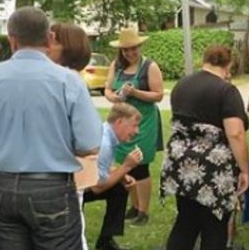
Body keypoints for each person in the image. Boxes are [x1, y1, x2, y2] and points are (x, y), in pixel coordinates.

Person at [0, 7, 102, 250]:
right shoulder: (67, 80)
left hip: (0, 184)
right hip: (51, 185)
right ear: (49, 38)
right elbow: (89, 144)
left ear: (12, 40)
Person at [161, 45, 249, 250]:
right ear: (228, 66)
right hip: (212, 168)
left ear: (205, 60)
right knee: (214, 226)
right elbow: (235, 133)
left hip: (181, 165)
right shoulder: (226, 90)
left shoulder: (181, 85)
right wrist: (244, 169)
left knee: (186, 222)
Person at [46, 22, 101, 250]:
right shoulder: (63, 78)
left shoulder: (68, 79)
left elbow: (88, 139)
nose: (47, 44)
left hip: (68, 170)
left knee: (71, 232)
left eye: (55, 40)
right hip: (66, 169)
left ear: (70, 47)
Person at [104, 27, 164, 227]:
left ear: (140, 47)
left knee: (141, 165)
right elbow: (107, 89)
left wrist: (136, 93)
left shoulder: (150, 66)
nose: (130, 53)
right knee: (125, 165)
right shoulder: (117, 66)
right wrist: (113, 97)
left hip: (144, 123)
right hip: (122, 123)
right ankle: (133, 206)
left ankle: (143, 211)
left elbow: (158, 94)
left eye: (133, 49)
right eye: (126, 50)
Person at [84, 104, 144, 250]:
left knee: (119, 187)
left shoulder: (106, 133)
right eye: (134, 125)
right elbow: (97, 187)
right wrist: (126, 167)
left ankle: (106, 241)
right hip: (70, 190)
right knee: (116, 186)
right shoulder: (104, 144)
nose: (137, 131)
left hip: (81, 183)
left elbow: (103, 168)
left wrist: (121, 174)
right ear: (119, 122)